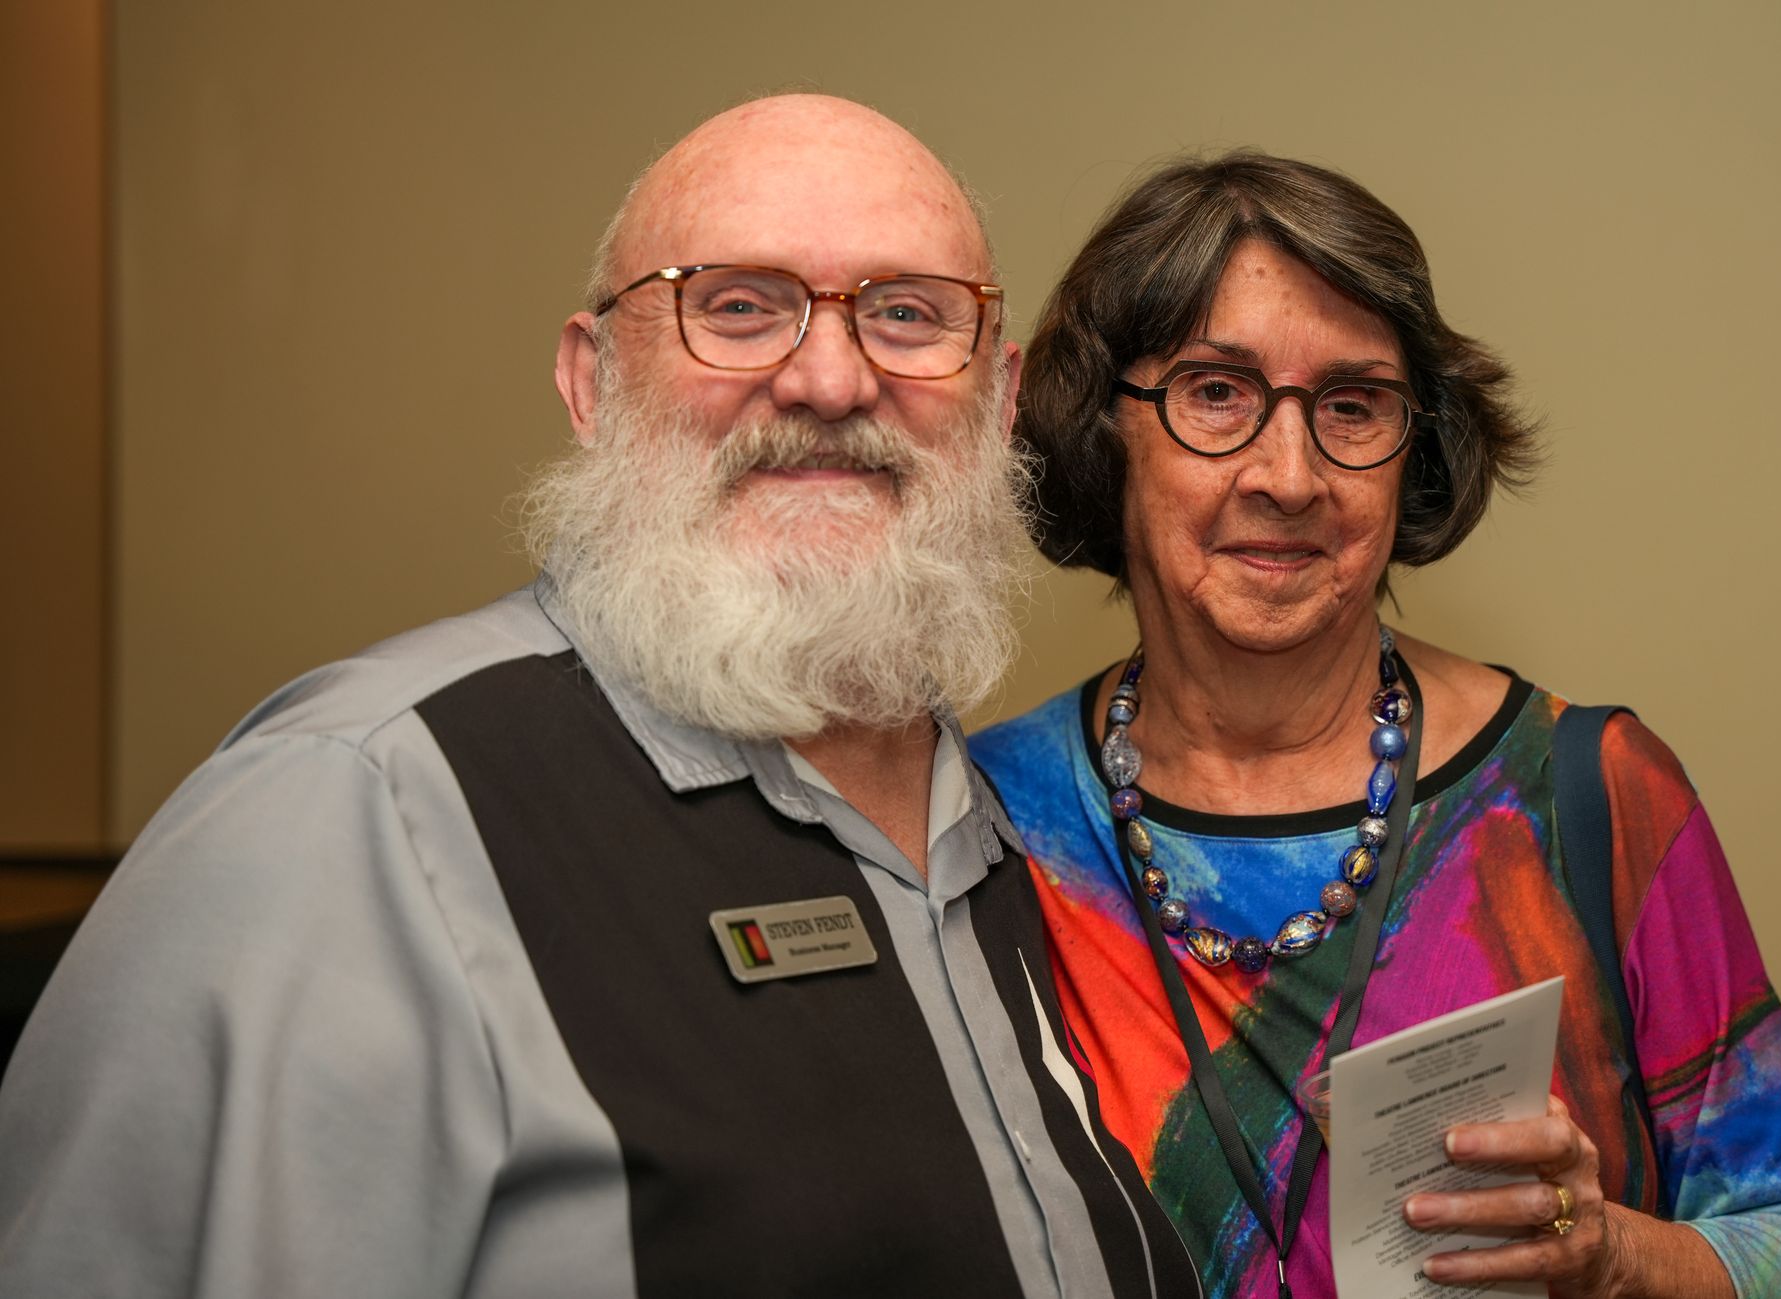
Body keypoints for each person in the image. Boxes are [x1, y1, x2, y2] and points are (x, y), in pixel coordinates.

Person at [0, 96, 1200, 1298]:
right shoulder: (354, 807)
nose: (832, 379)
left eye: (905, 315)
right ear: (591, 381)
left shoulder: (1026, 825)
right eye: (736, 307)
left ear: (997, 403)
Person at [972, 152, 1781, 1298]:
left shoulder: (1589, 791)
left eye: (1353, 406)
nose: (1291, 473)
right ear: (1102, 433)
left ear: (1414, 453)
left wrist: (1611, 1257)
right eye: (1216, 393)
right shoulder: (980, 821)